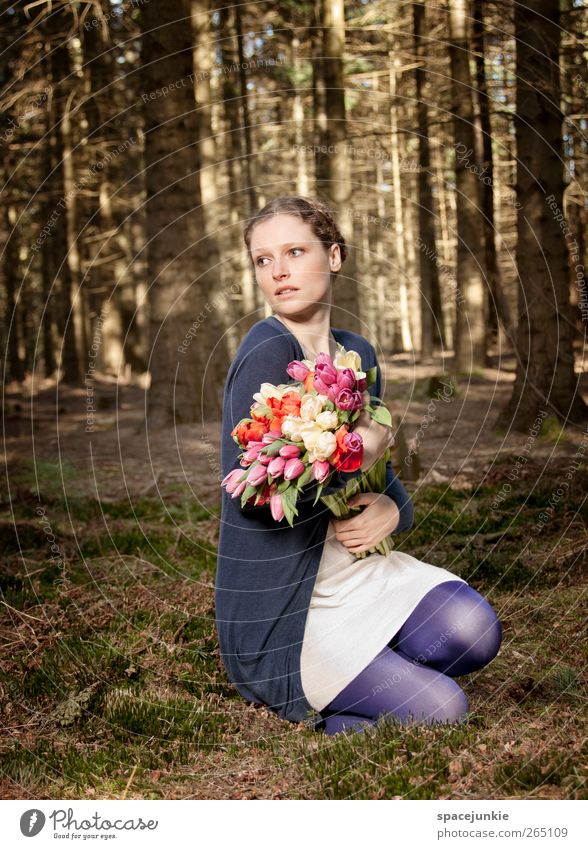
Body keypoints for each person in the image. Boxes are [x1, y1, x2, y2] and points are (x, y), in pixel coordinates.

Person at [215, 196, 502, 736]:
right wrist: (361, 450)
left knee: (475, 630)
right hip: (286, 612)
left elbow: (379, 473)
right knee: (442, 711)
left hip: (357, 576)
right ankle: (334, 710)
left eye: (295, 252)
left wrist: (395, 507)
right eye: (262, 260)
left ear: (335, 255)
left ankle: (376, 659)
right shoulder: (267, 351)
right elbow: (252, 499)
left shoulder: (357, 352)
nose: (278, 271)